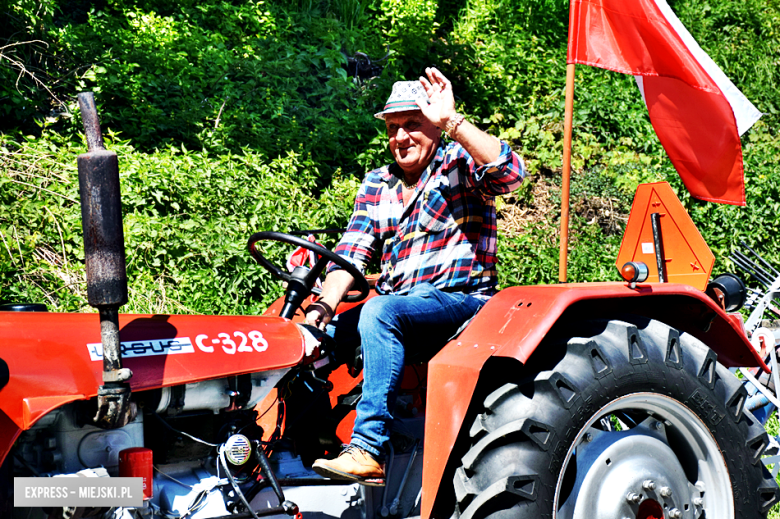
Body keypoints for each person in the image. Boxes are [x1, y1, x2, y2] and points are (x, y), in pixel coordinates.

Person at [306, 67, 526, 486]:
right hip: (402, 308)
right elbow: (350, 251)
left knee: (380, 311)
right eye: (392, 128)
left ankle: (367, 450)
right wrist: (318, 314)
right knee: (304, 341)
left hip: (461, 305)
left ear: (435, 127)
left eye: (412, 124)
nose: (400, 137)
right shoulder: (377, 184)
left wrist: (453, 122)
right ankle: (296, 449)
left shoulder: (458, 166)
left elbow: (511, 173)